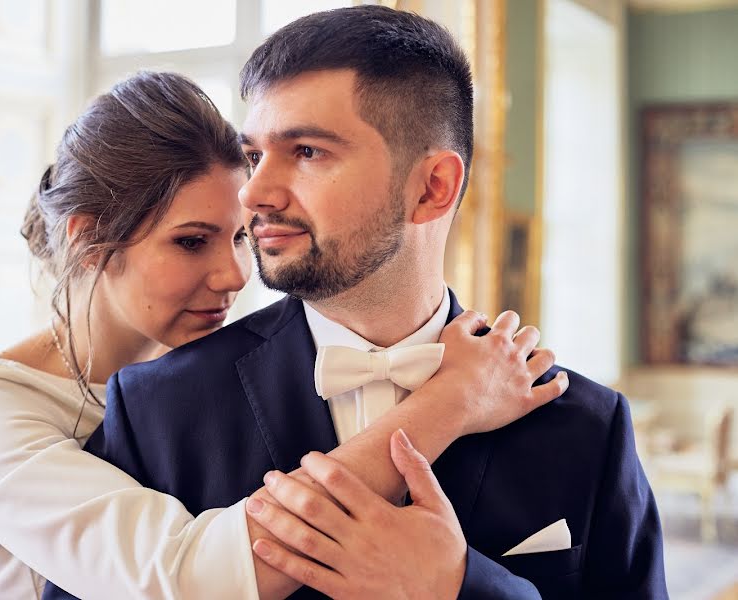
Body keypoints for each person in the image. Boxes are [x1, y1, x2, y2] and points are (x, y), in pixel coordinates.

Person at [43, 6, 667, 600]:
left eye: (307, 152)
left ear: (432, 188)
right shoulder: (159, 408)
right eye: (255, 155)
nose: (254, 191)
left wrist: (457, 588)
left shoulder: (586, 425)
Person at [0, 71, 562, 599]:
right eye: (192, 241)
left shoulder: (216, 374)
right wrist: (450, 402)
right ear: (89, 240)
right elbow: (184, 577)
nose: (234, 274)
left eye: (238, 236)